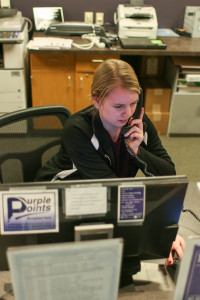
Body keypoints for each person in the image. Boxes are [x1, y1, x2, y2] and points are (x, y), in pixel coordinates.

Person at [35, 59, 184, 265]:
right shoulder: (78, 130)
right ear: (97, 100)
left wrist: (137, 151)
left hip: (102, 206)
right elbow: (111, 193)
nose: (128, 112)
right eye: (118, 106)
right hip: (61, 204)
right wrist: (157, 230)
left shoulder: (137, 121)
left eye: (133, 103)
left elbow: (169, 176)